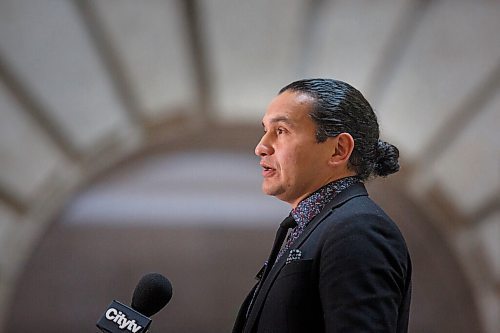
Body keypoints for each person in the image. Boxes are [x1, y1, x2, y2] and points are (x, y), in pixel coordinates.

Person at [232, 79, 412, 333]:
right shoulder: (314, 225)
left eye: (281, 130)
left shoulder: (359, 230)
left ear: (339, 150)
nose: (261, 147)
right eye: (265, 130)